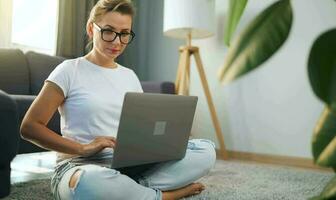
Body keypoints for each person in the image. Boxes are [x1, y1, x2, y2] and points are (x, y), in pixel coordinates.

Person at [20, 0, 216, 199]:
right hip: (81, 166)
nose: (116, 41)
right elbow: (29, 127)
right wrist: (83, 148)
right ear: (91, 29)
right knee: (87, 184)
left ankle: (132, 190)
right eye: (108, 31)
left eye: (124, 33)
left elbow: (142, 128)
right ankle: (163, 195)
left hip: (130, 165)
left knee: (205, 151)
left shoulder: (129, 76)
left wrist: (166, 143)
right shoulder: (69, 70)